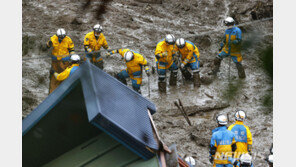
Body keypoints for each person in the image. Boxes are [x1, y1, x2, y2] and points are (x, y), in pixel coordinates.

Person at [47, 28, 75, 93]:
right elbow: (46, 47)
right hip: (55, 63)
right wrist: (49, 44)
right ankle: (52, 93)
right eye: (60, 37)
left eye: (63, 37)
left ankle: (64, 92)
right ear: (57, 36)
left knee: (64, 77)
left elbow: (72, 50)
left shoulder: (68, 40)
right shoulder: (53, 38)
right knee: (54, 79)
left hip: (65, 63)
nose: (61, 38)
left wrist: (73, 57)